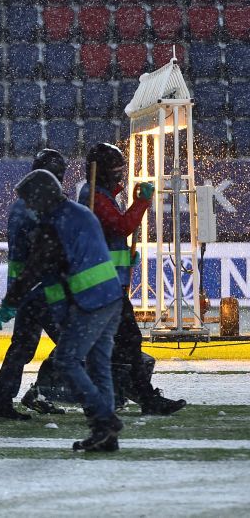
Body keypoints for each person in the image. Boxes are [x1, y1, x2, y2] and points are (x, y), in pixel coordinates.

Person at [5, 169, 125, 451]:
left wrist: (11, 301)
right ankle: (105, 436)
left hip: (90, 302)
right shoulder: (79, 213)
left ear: (42, 197)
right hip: (111, 298)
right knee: (98, 367)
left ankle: (105, 419)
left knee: (67, 361)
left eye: (30, 202)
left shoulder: (54, 224)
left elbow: (36, 266)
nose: (29, 208)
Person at [78, 142, 186, 416]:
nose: (120, 175)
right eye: (117, 170)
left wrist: (126, 258)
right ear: (104, 172)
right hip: (103, 288)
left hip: (104, 284)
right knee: (127, 339)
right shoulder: (95, 198)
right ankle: (142, 397)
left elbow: (108, 239)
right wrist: (142, 202)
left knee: (109, 343)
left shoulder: (97, 194)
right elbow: (122, 226)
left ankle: (120, 395)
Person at [0, 149, 67, 421]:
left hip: (29, 289)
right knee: (73, 342)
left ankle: (1, 401)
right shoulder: (34, 207)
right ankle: (54, 393)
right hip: (39, 289)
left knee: (22, 348)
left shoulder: (26, 203)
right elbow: (46, 251)